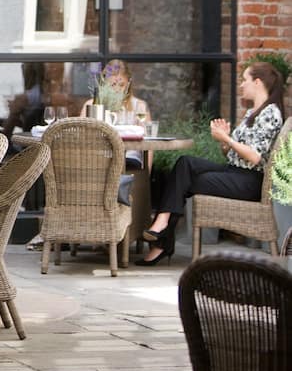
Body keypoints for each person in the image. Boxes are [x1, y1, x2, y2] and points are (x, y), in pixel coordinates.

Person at [137, 61, 286, 266]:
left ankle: (161, 237)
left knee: (187, 180)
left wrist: (226, 139)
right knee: (185, 163)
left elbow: (255, 158)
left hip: (249, 182)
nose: (241, 85)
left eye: (245, 80)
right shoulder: (253, 112)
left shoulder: (270, 113)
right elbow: (233, 155)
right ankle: (162, 226)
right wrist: (224, 141)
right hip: (235, 172)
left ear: (258, 82)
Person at [82, 59, 150, 169]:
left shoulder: (139, 106)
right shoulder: (92, 106)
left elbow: (149, 142)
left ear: (129, 83)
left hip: (130, 159)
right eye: (113, 84)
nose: (117, 89)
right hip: (98, 159)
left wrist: (148, 173)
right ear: (104, 83)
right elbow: (81, 136)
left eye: (121, 84)